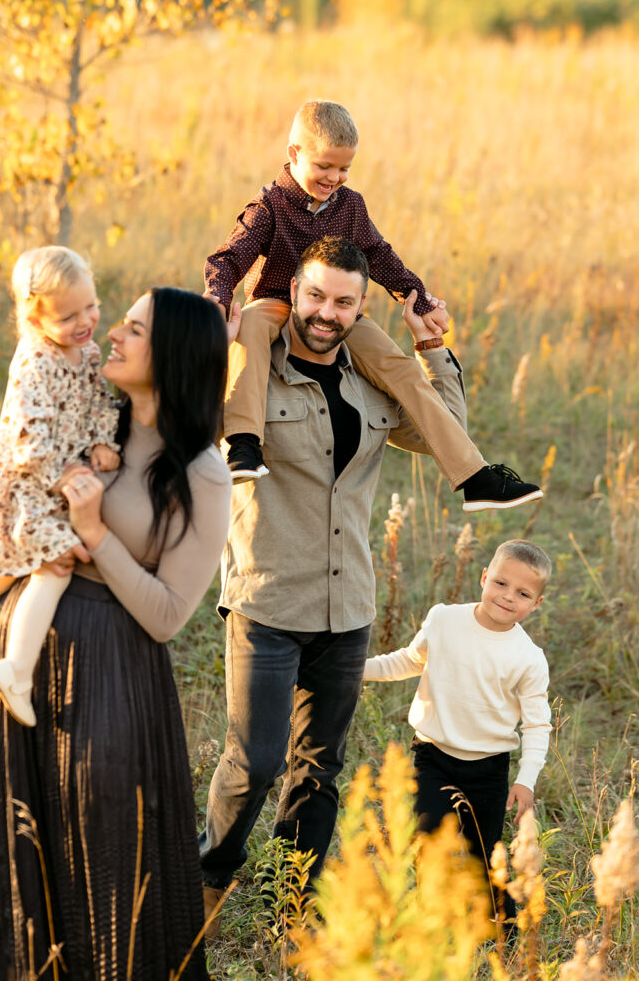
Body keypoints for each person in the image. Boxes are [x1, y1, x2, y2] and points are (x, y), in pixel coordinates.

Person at [198, 236, 481, 928]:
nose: (327, 313)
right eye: (316, 296)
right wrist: (222, 343)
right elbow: (201, 427)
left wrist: (430, 350)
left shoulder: (370, 377)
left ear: (360, 306)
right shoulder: (251, 373)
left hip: (346, 604)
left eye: (344, 302)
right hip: (267, 599)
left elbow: (442, 429)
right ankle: (208, 877)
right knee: (255, 762)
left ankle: (293, 905)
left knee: (318, 770)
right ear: (294, 292)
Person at [0, 285, 233, 980]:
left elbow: (167, 614)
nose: (110, 336)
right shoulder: (87, 418)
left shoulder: (202, 474)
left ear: (174, 356)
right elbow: (7, 504)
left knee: (106, 851)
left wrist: (96, 536)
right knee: (12, 840)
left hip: (112, 670)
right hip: (19, 648)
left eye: (132, 329)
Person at [204, 99, 542, 513]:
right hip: (276, 301)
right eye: (324, 166)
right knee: (251, 328)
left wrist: (416, 298)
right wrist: (218, 298)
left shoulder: (351, 206)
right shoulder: (269, 205)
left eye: (344, 169)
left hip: (341, 309)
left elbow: (378, 255)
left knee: (396, 363)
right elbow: (229, 257)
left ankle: (474, 475)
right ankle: (242, 444)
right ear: (294, 154)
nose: (334, 178)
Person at [363, 538, 552, 922]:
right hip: (431, 755)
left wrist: (526, 779)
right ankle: (429, 920)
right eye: (500, 583)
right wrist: (354, 670)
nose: (507, 596)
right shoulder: (445, 619)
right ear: (484, 577)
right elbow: (409, 660)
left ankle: (504, 933)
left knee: (484, 854)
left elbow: (537, 724)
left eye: (522, 593)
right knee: (428, 839)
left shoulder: (528, 658)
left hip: (488, 769)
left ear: (536, 604)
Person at [0, 246, 120, 727]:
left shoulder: (88, 350)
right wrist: (63, 474)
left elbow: (100, 399)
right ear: (34, 316)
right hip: (23, 484)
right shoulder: (33, 362)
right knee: (55, 564)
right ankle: (16, 669)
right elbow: (27, 440)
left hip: (51, 483)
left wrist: (103, 438)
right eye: (67, 316)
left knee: (15, 564)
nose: (85, 322)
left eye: (91, 307)